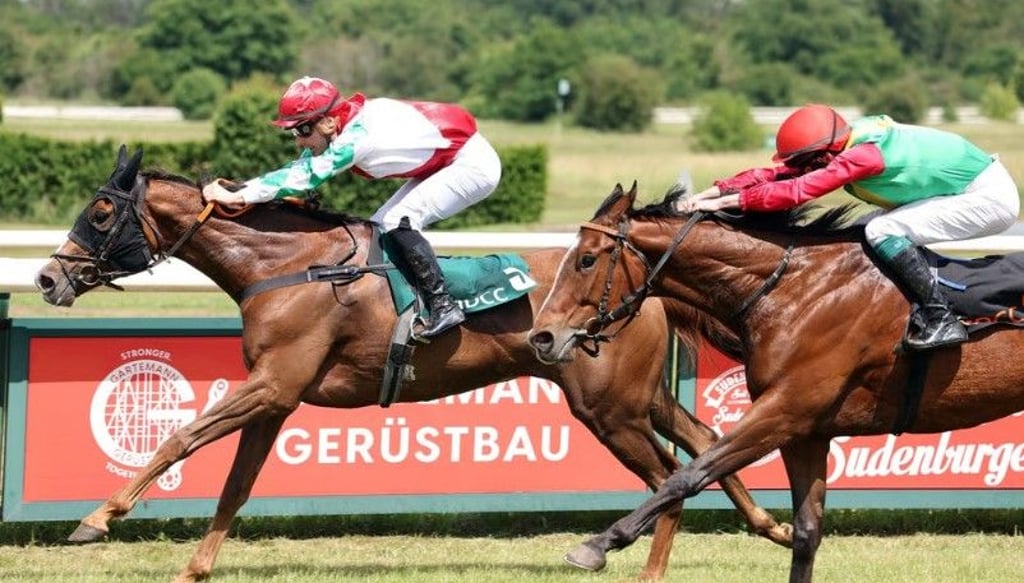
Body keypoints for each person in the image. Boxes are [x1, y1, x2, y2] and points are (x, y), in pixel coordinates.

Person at [680, 104, 1020, 351]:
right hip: (967, 187)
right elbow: (778, 175)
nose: (799, 168)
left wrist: (722, 205)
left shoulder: (864, 155)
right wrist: (715, 191)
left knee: (881, 231)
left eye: (805, 162)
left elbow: (797, 191)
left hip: (988, 198)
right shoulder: (845, 141)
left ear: (825, 154)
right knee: (863, 227)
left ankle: (940, 317)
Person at [202, 76, 502, 340]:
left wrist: (241, 197)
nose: (299, 141)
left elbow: (306, 176)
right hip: (448, 159)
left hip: (471, 165)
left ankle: (443, 306)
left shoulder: (359, 138)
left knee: (398, 221)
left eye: (303, 130)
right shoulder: (344, 123)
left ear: (329, 122)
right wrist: (242, 190)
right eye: (294, 132)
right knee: (378, 227)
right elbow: (301, 168)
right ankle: (406, 307)